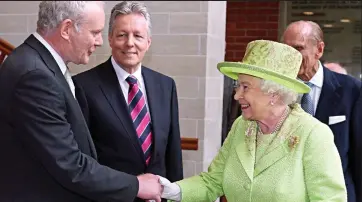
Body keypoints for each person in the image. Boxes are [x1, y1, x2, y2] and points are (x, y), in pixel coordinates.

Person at [0, 1, 163, 202]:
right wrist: (138, 185)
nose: (99, 42)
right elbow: (70, 164)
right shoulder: (35, 75)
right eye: (95, 32)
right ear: (67, 29)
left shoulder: (37, 63)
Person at [158, 40, 347, 202]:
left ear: (273, 93)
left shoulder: (312, 134)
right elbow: (213, 180)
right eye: (237, 86)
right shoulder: (242, 126)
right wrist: (173, 190)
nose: (237, 95)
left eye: (245, 87)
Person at [72, 2, 183, 201]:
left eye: (138, 36)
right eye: (122, 35)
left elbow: (173, 156)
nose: (130, 43)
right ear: (110, 39)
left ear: (148, 42)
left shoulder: (166, 86)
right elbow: (83, 160)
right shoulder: (83, 87)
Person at [282, 20, 362, 202]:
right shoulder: (276, 91)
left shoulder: (352, 91)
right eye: (286, 49)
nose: (291, 56)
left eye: (298, 48)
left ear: (319, 49)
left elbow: (358, 156)